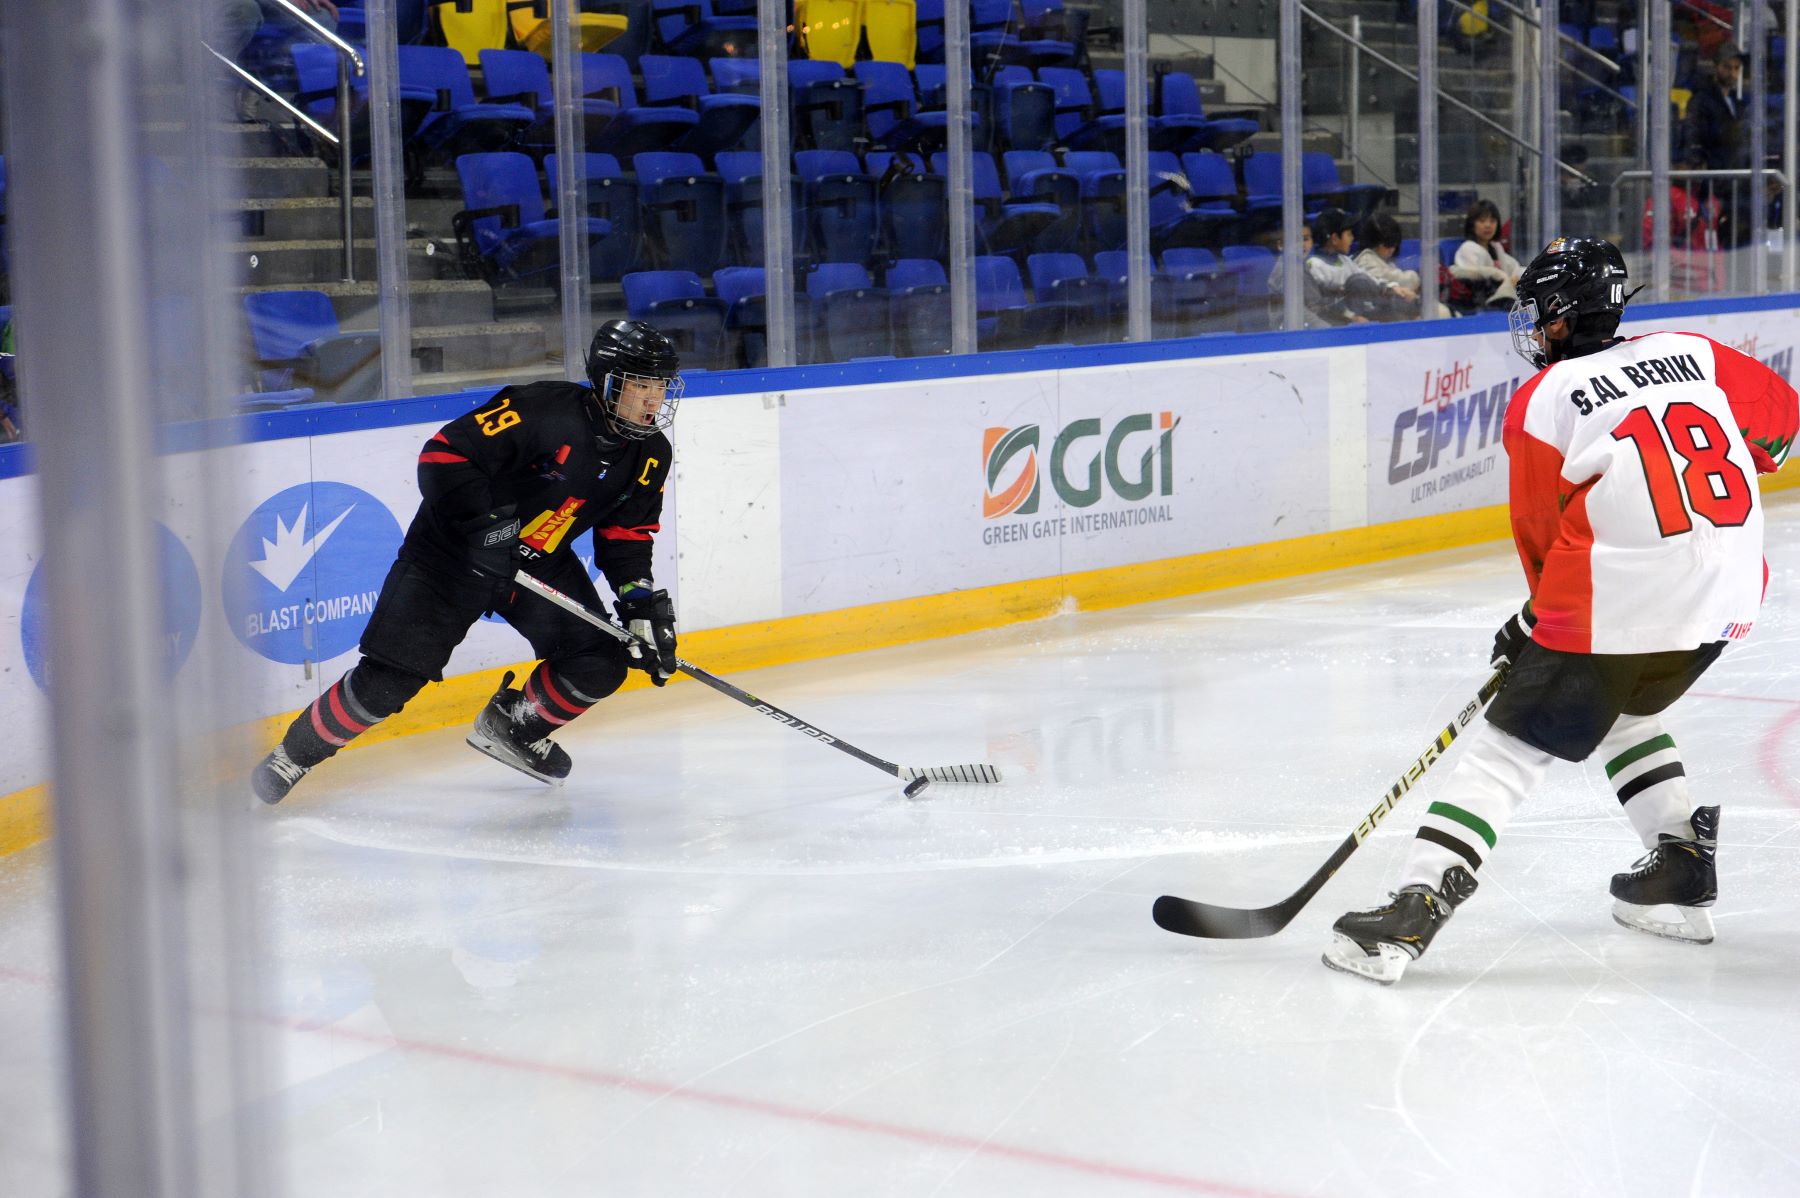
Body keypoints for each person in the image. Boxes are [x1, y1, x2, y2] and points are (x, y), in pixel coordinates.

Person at [1323, 236, 1798, 985]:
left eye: (1538, 311)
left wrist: (1536, 623)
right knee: (1623, 707)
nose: (1533, 324)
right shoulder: (1693, 351)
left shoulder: (1545, 399)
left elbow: (1543, 538)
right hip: (1731, 593)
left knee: (1508, 746)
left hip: (1625, 594)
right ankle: (1678, 862)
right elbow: (1781, 420)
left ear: (1558, 319)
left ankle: (1413, 907)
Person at [251, 320, 683, 804]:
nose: (653, 399)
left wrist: (639, 604)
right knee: (387, 684)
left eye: (661, 385)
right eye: (641, 385)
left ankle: (514, 726)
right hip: (450, 556)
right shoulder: (540, 409)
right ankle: (292, 756)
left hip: (537, 564)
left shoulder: (651, 454)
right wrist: (486, 526)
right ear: (607, 381)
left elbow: (627, 534)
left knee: (599, 662)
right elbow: (445, 454)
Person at [1449, 199, 1523, 310]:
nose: (1488, 225)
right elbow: (1476, 282)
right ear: (1472, 224)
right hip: (1479, 308)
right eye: (1482, 221)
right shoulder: (1468, 248)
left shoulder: (1496, 248)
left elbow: (1515, 268)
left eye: (1492, 221)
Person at [1353, 214, 1422, 300]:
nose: (1392, 249)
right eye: (1388, 244)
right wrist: (1418, 277)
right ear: (1374, 242)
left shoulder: (1385, 261)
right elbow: (1400, 280)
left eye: (1394, 244)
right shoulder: (1366, 261)